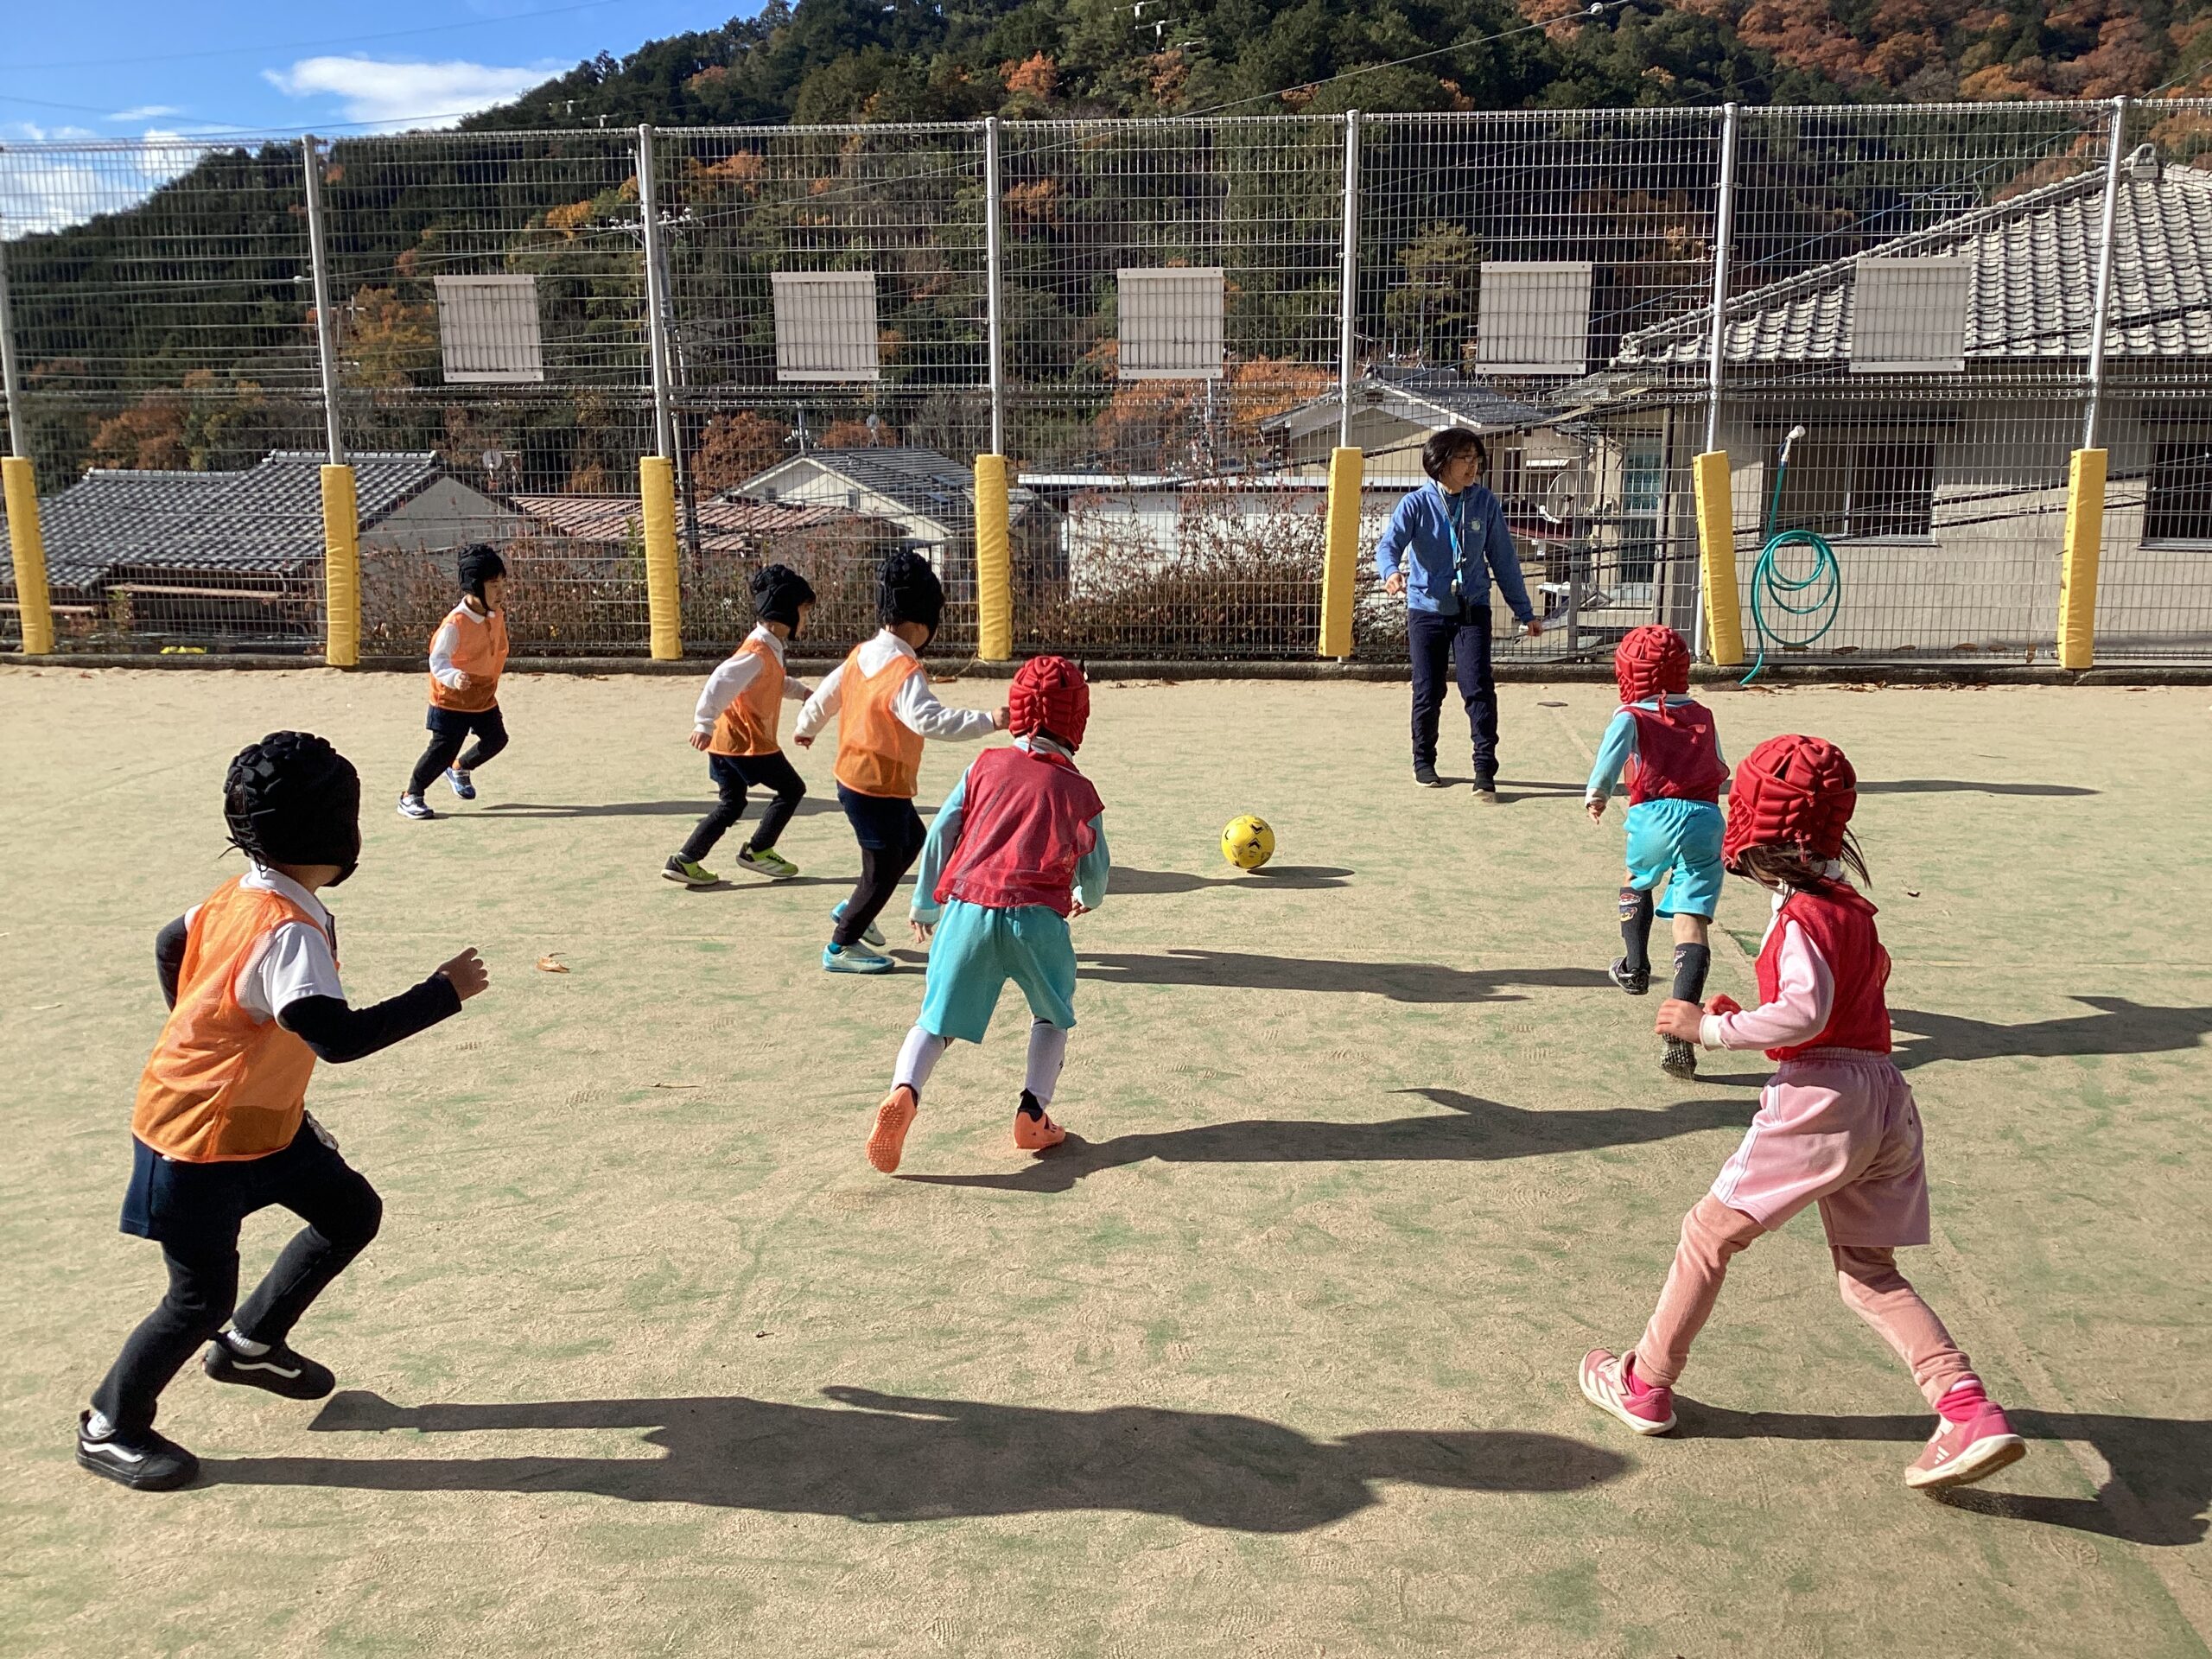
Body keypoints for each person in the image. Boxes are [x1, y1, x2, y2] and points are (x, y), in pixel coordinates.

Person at [1578, 734, 2027, 1493]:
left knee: (1708, 1235)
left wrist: (1711, 1029)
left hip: (1822, 1103)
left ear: (1754, 829)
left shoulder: (1800, 920)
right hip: (1885, 1097)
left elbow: (1803, 1013)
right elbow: (1840, 1002)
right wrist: (1755, 1014)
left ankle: (1647, 1382)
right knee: (1866, 1270)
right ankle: (1967, 1411)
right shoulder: (1852, 910)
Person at [78, 732, 490, 1491]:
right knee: (197, 1297)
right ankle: (111, 1424)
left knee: (349, 1212)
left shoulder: (245, 896)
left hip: (261, 1125)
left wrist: (199, 1026)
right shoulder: (291, 931)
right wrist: (443, 993)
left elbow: (173, 941)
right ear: (337, 832)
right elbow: (335, 1037)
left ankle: (251, 1344)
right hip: (198, 1139)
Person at [866, 655, 1109, 1174]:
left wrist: (926, 900)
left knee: (934, 1020)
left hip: (967, 912)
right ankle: (1033, 1112)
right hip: (1038, 919)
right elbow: (1097, 861)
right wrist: (1091, 893)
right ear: (1077, 720)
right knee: (1050, 1013)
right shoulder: (1079, 789)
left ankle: (904, 1091)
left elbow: (942, 831)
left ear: (1018, 710)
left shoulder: (982, 766)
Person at [794, 550, 1007, 974]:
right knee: (882, 868)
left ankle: (856, 909)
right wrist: (990, 721)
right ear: (920, 624)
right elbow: (930, 719)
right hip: (876, 786)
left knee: (913, 842)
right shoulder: (904, 669)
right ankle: (841, 945)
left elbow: (825, 696)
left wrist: (806, 725)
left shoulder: (861, 654)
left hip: (859, 779)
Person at [1585, 626, 1728, 1079]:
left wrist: (1598, 795)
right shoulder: (1703, 713)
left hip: (1654, 815)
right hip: (1705, 817)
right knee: (1692, 918)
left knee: (1637, 879)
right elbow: (1719, 765)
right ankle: (1682, 1022)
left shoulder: (1630, 714)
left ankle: (1634, 966)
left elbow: (1609, 760)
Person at [1375, 428, 1542, 798]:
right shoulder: (1415, 504)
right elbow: (1388, 546)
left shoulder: (1484, 502)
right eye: (1463, 458)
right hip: (1426, 609)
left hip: (1473, 608)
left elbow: (1504, 560)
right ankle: (1424, 761)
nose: (1473, 465)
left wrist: (1525, 611)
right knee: (1428, 689)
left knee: (1478, 687)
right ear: (1440, 463)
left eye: (1475, 458)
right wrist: (1391, 574)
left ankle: (1484, 769)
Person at [664, 564, 817, 887]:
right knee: (792, 790)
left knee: (732, 804)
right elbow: (720, 680)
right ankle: (759, 850)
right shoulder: (757, 652)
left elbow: (772, 682)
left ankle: (685, 859)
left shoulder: (766, 648)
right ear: (783, 614)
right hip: (747, 742)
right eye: (803, 612)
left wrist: (801, 691)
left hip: (725, 744)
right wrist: (703, 722)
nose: (806, 619)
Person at [398, 543, 511, 821]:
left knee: (497, 739)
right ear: (474, 586)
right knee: (442, 750)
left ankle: (459, 768)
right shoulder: (455, 624)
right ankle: (410, 796)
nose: (502, 591)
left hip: (482, 697)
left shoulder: (495, 615)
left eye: (503, 584)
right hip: (451, 700)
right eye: (494, 585)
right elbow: (437, 661)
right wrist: (454, 677)